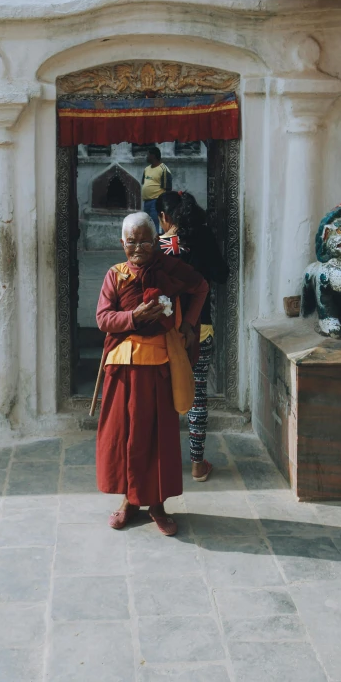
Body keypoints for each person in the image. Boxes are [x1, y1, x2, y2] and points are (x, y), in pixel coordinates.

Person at [96, 212, 208, 536]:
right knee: (124, 437)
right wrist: (133, 316)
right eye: (131, 241)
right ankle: (128, 501)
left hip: (159, 365)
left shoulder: (169, 270)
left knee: (158, 438)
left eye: (145, 240)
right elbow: (103, 318)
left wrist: (188, 326)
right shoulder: (114, 276)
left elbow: (200, 287)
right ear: (122, 244)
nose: (139, 247)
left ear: (155, 240)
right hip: (122, 369)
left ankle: (157, 504)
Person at [156, 191, 229, 483]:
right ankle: (198, 465)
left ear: (164, 217)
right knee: (198, 396)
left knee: (163, 396)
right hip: (201, 329)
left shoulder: (155, 248)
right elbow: (221, 274)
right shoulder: (202, 240)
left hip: (165, 335)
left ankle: (164, 462)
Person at [141, 147, 172, 232]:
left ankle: (158, 244)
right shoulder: (146, 169)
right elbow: (145, 183)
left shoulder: (163, 169)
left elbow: (168, 189)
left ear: (153, 156)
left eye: (148, 155)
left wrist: (163, 205)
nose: (146, 157)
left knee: (156, 225)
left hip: (156, 201)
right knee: (148, 225)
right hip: (146, 202)